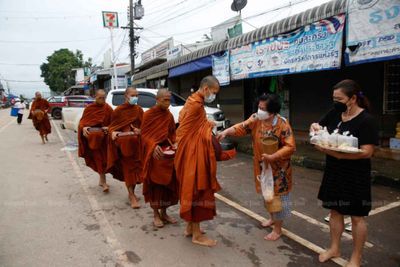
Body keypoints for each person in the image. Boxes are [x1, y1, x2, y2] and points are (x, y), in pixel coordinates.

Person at [310, 79, 378, 267]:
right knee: (335, 211)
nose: (335, 102)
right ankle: (334, 247)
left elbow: (367, 152)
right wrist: (315, 128)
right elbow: (318, 126)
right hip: (334, 172)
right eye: (334, 98)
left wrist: (331, 152)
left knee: (357, 217)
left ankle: (356, 258)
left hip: (356, 176)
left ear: (353, 98)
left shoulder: (367, 121)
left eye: (339, 98)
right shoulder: (335, 113)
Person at [218, 93, 296, 241]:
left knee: (277, 198)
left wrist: (273, 156)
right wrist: (227, 131)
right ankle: (272, 219)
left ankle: (278, 229)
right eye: (259, 107)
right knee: (267, 195)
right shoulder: (256, 119)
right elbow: (242, 127)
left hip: (279, 170)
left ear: (272, 111)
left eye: (263, 108)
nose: (259, 110)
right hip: (262, 166)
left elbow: (290, 147)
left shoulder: (282, 124)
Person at [174, 75, 221, 247]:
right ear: (206, 88)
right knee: (197, 192)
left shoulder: (193, 100)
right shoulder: (195, 104)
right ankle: (196, 235)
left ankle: (189, 228)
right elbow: (183, 130)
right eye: (214, 92)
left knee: (192, 190)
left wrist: (206, 123)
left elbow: (188, 121)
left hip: (190, 151)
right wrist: (206, 127)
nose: (213, 96)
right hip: (191, 154)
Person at [141, 89, 179, 228]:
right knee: (156, 185)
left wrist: (175, 143)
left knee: (168, 184)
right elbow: (144, 135)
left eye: (169, 100)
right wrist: (152, 145)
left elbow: (172, 133)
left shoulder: (168, 115)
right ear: (157, 100)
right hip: (155, 153)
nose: (168, 103)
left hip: (167, 153)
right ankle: (156, 214)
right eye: (165, 100)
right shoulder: (149, 114)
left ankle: (164, 213)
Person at [107, 87, 143, 209]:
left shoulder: (138, 110)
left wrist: (139, 130)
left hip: (136, 144)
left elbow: (144, 127)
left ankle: (132, 192)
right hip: (124, 145)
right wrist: (114, 133)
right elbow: (112, 127)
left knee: (136, 170)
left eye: (137, 95)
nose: (135, 98)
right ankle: (131, 195)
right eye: (133, 95)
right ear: (126, 96)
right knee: (128, 170)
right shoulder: (118, 110)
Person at [78, 89, 113, 192]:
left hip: (104, 139)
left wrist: (109, 127)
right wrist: (83, 128)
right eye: (100, 98)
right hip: (93, 139)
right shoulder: (89, 108)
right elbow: (82, 123)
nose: (102, 100)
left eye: (104, 98)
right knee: (99, 159)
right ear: (95, 97)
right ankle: (103, 182)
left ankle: (102, 181)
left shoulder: (108, 108)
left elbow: (114, 122)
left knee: (105, 160)